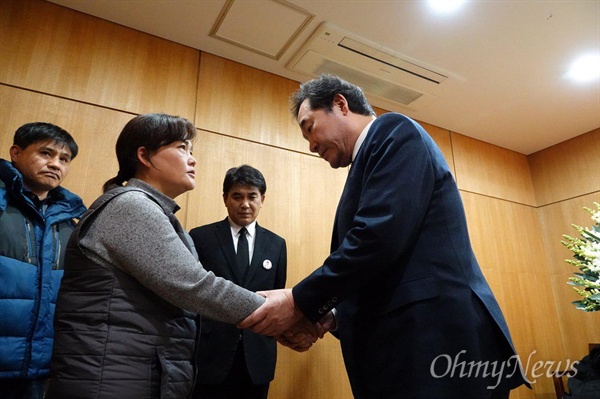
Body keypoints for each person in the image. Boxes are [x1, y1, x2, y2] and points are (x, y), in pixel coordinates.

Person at [239, 74, 530, 398]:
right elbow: (382, 269)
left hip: (437, 343)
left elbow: (377, 238)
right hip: (411, 351)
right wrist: (328, 317)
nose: (311, 145)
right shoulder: (368, 161)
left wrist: (299, 302)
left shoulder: (394, 132)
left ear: (340, 104)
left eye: (310, 127)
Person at [45, 113, 269, 399]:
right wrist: (283, 313)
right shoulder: (132, 206)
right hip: (110, 379)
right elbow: (194, 285)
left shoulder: (151, 209)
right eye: (181, 148)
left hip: (130, 371)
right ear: (145, 156)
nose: (192, 159)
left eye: (191, 151)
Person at [0, 122, 86, 399]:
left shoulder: (70, 222)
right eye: (45, 153)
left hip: (40, 368)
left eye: (64, 159)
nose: (55, 164)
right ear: (16, 152)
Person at [189, 164, 287, 399]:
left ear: (262, 198)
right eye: (237, 196)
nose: (245, 204)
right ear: (225, 199)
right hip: (210, 355)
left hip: (257, 358)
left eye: (252, 196)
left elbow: (276, 296)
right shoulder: (200, 237)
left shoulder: (276, 244)